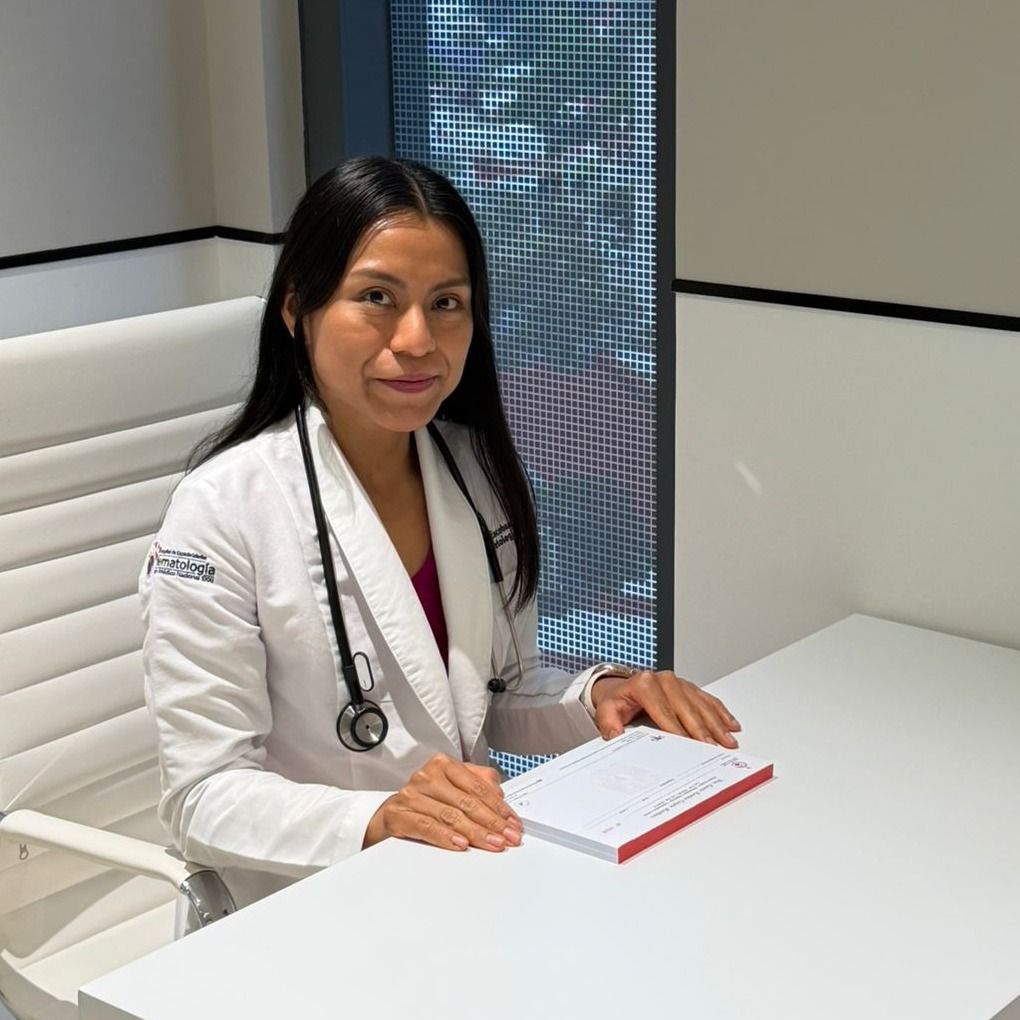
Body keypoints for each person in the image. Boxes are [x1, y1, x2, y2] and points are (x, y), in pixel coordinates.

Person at [140, 156, 741, 909]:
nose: (419, 338)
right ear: (297, 309)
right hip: (308, 906)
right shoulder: (221, 510)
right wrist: (378, 817)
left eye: (446, 302)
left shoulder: (469, 467)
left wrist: (603, 698)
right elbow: (201, 796)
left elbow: (491, 697)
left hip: (460, 880)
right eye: (377, 298)